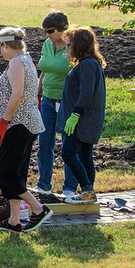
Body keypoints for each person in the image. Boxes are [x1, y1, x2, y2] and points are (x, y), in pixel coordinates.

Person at [0, 27, 53, 233]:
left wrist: (4, 121)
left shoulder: (16, 62)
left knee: (5, 172)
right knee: (16, 173)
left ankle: (38, 209)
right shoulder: (25, 60)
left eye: (1, 49)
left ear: (5, 45)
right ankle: (14, 221)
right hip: (25, 124)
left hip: (18, 124)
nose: (1, 54)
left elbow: (16, 94)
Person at [58, 27, 107, 204]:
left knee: (68, 153)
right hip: (87, 120)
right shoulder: (90, 63)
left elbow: (86, 93)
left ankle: (87, 189)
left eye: (69, 45)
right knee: (85, 155)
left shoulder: (87, 65)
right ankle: (89, 193)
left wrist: (75, 115)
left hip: (82, 121)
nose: (67, 49)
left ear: (79, 45)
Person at [35, 10, 78, 197]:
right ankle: (44, 184)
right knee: (44, 142)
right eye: (45, 31)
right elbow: (44, 70)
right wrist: (38, 94)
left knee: (68, 144)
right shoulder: (47, 44)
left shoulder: (73, 47)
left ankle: (70, 187)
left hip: (67, 101)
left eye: (51, 31)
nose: (47, 35)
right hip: (48, 100)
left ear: (63, 29)